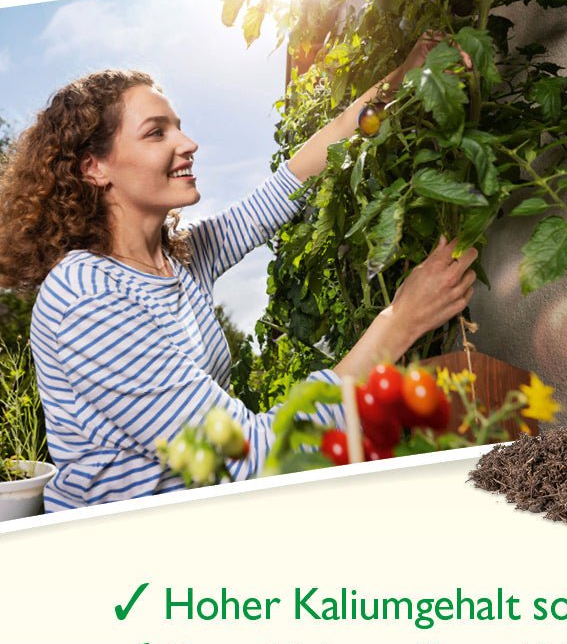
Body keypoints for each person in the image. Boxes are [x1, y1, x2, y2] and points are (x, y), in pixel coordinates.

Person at [0, 43, 476, 510]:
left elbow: (291, 183)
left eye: (179, 128)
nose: (188, 144)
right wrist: (401, 321)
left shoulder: (178, 260)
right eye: (156, 133)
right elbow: (250, 456)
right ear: (95, 167)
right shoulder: (87, 297)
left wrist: (402, 78)